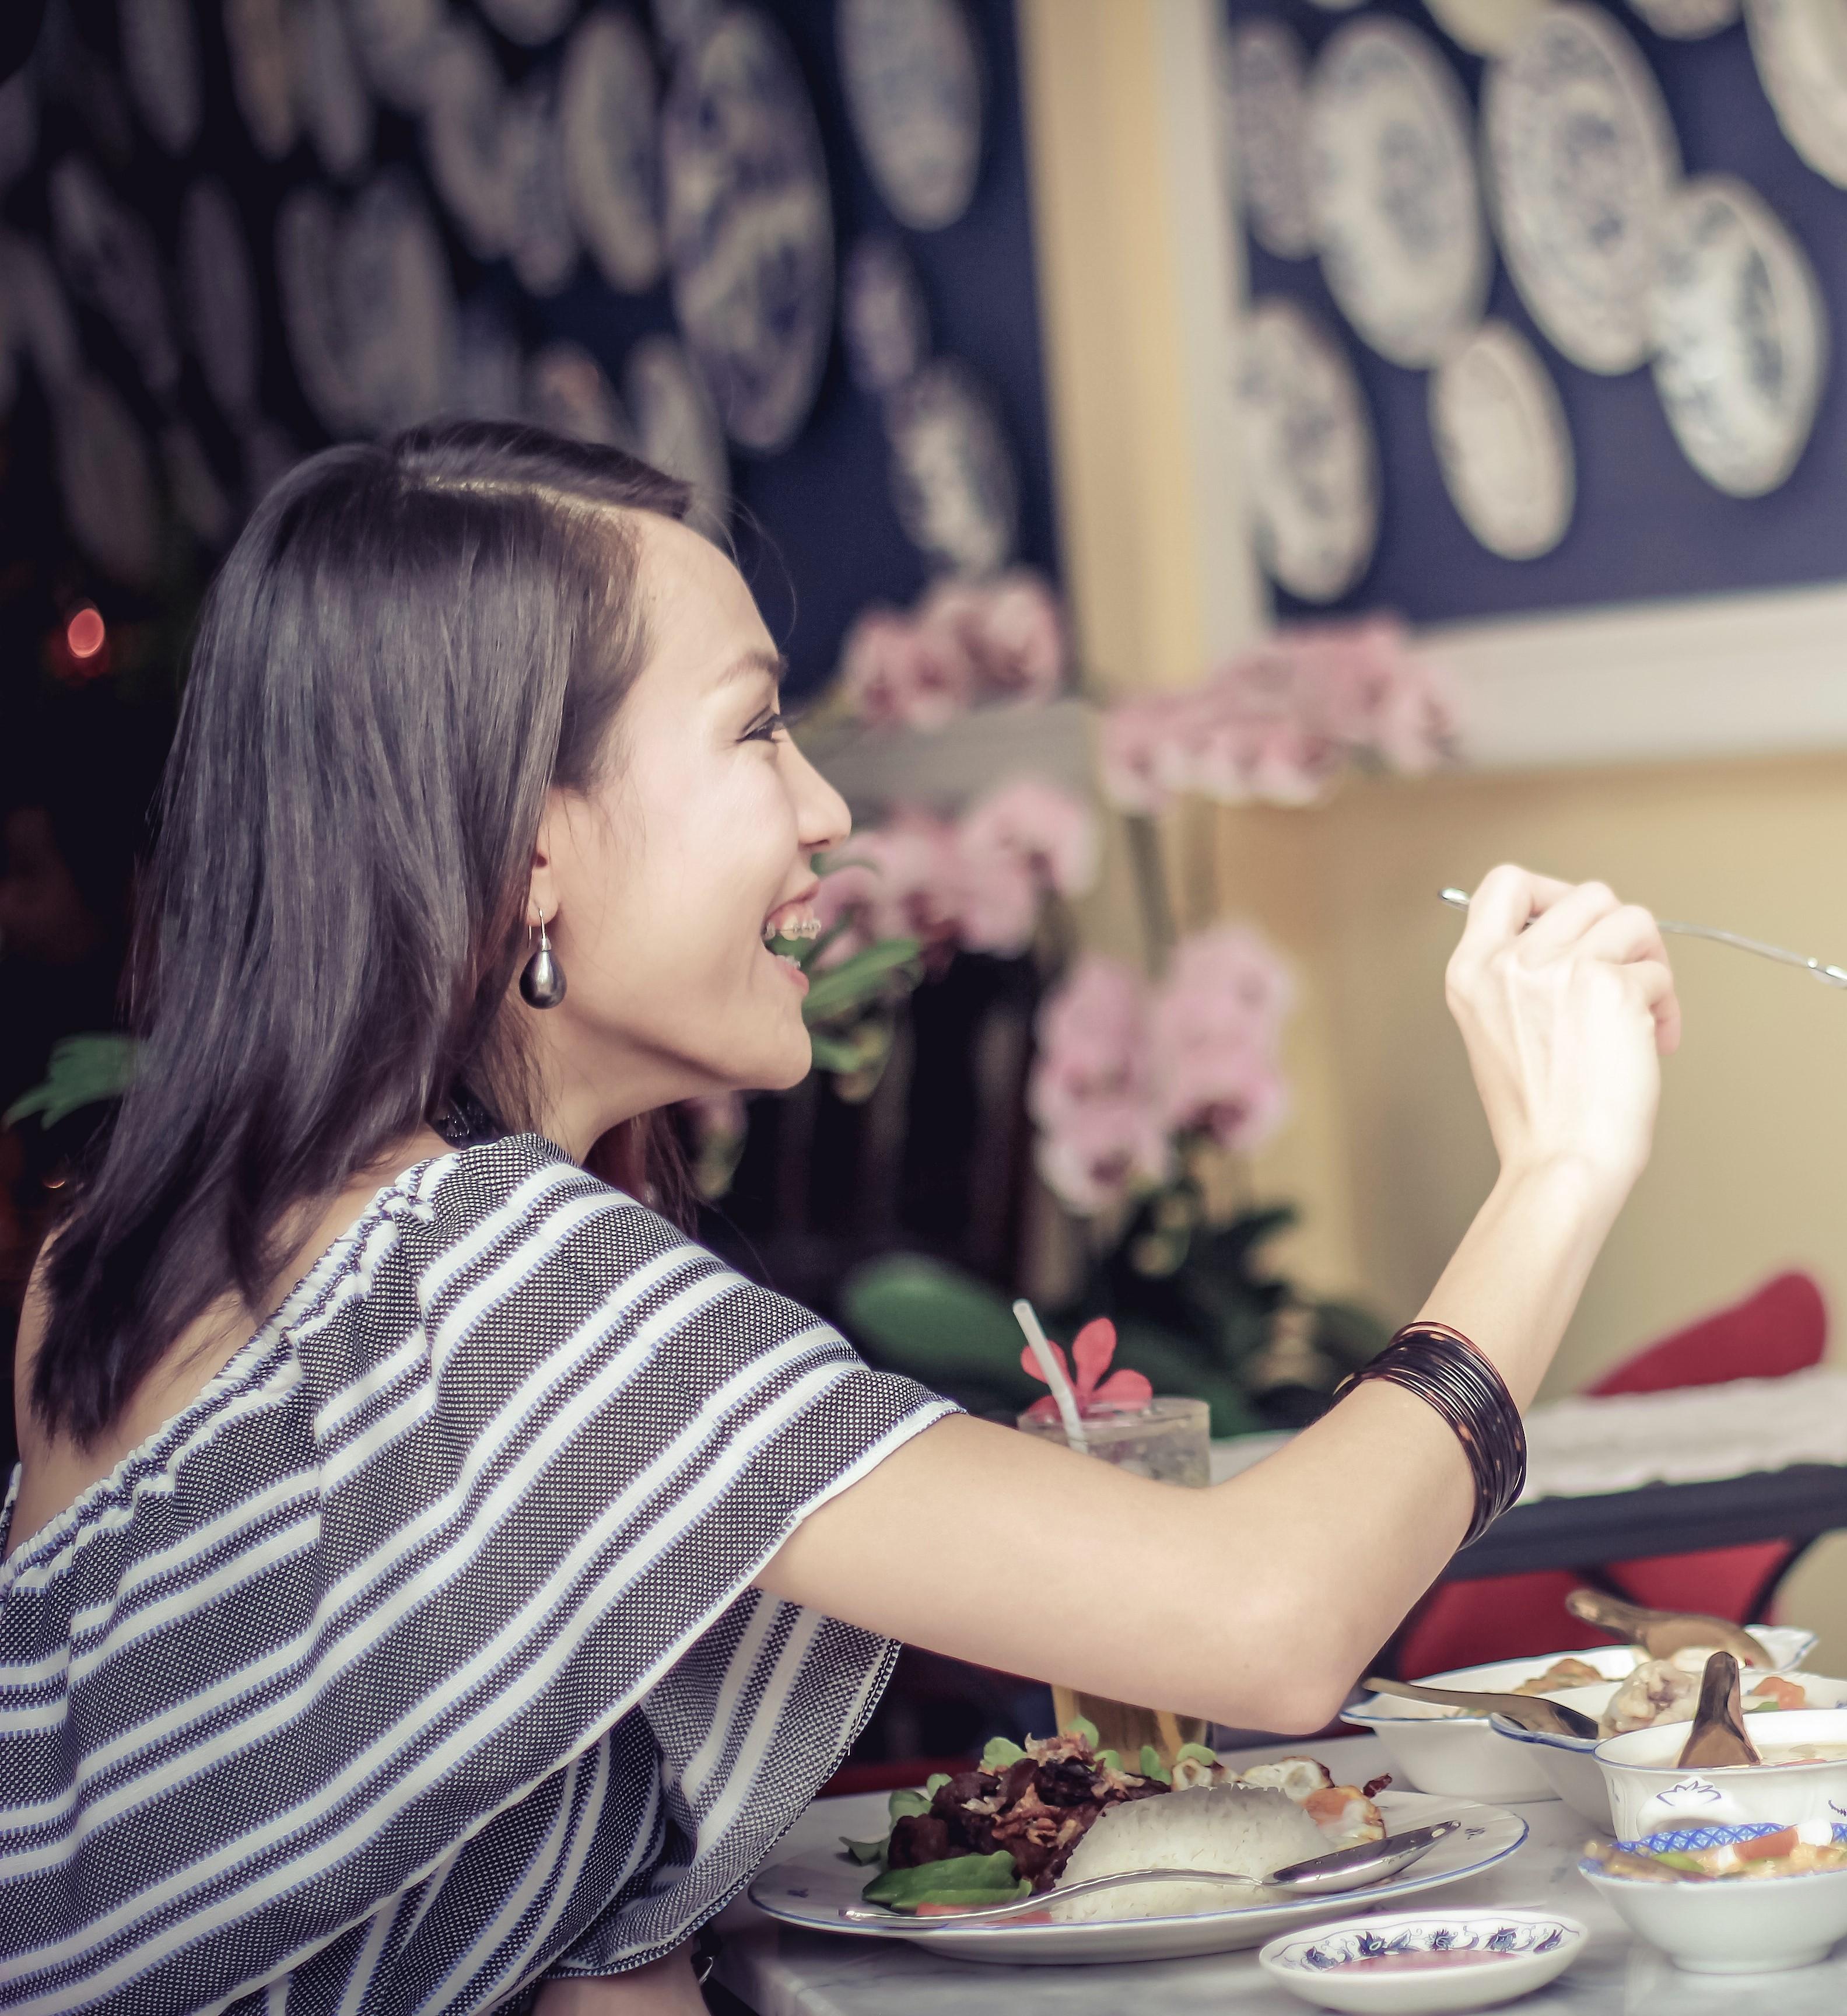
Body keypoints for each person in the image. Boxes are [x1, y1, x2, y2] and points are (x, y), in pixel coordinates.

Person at [1, 424, 1680, 2015]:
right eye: (751, 731)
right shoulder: (484, 1280)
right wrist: (1560, 1169)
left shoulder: (113, 1267)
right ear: (528, 852)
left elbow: (523, 1925)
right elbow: (1265, 1619)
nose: (827, 812)